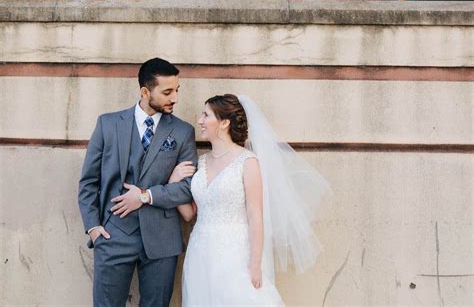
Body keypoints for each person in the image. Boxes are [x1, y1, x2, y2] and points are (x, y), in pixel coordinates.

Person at [169, 94, 330, 306]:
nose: (200, 120)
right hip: (201, 253)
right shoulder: (202, 162)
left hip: (236, 254)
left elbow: (256, 215)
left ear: (224, 122)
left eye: (206, 115)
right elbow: (190, 213)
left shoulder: (247, 162)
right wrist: (173, 181)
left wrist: (254, 264)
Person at [78, 58, 198, 307]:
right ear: (145, 91)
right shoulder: (108, 124)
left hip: (162, 240)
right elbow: (89, 181)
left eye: (177, 90)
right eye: (167, 92)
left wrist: (146, 195)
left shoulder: (183, 132)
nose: (174, 98)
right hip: (113, 235)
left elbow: (187, 188)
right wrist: (93, 227)